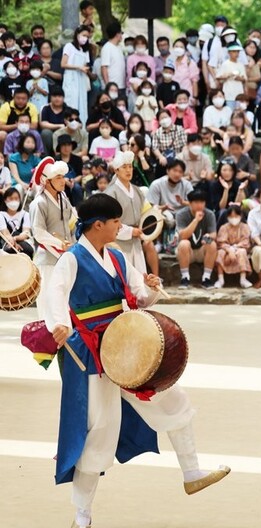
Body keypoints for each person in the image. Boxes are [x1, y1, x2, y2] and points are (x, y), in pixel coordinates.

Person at [40, 193, 229, 528]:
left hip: (125, 347)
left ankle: (191, 472)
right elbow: (56, 292)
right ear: (98, 224)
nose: (120, 227)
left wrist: (151, 288)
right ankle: (82, 514)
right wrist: (59, 324)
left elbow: (137, 296)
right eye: (115, 222)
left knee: (173, 400)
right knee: (99, 430)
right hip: (90, 353)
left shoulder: (115, 257)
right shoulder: (72, 259)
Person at [29, 158, 77, 318]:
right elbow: (38, 232)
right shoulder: (39, 203)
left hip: (65, 256)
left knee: (64, 301)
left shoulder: (64, 199)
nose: (63, 181)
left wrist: (74, 243)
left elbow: (72, 222)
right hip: (47, 259)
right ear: (47, 181)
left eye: (63, 177)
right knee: (47, 303)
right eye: (58, 177)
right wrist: (58, 243)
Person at [103, 151, 159, 277]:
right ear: (116, 170)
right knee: (122, 279)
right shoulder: (111, 193)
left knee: (139, 280)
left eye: (130, 167)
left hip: (136, 242)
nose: (128, 170)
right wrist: (129, 231)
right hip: (117, 243)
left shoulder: (138, 191)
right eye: (124, 167)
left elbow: (147, 214)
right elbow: (109, 221)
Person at [176, 189, 217, 289]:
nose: (199, 205)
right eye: (196, 202)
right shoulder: (181, 214)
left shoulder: (209, 214)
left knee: (212, 244)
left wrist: (208, 236)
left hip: (202, 250)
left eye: (202, 202)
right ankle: (185, 277)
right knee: (184, 243)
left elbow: (214, 234)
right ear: (190, 203)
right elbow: (183, 236)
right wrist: (196, 220)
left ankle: (206, 278)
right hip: (186, 251)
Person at [213, 204, 252, 289]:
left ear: (240, 216)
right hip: (226, 249)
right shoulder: (223, 227)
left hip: (240, 248)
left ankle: (243, 279)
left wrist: (235, 248)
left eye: (236, 216)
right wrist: (229, 250)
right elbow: (221, 242)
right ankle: (220, 279)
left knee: (242, 252)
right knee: (220, 253)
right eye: (231, 216)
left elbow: (245, 241)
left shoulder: (245, 227)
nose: (234, 218)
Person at [61, 25, 93, 123]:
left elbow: (86, 65)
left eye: (87, 36)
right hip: (71, 78)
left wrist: (86, 69)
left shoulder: (85, 50)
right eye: (83, 35)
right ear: (77, 34)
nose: (85, 38)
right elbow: (63, 64)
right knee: (71, 103)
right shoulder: (69, 46)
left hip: (81, 79)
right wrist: (78, 67)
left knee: (82, 105)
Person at [1, 186, 33, 257]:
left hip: (23, 242)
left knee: (27, 249)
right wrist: (12, 241)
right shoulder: (1, 215)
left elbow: (26, 233)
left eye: (16, 199)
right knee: (9, 250)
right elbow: (5, 233)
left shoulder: (25, 215)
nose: (14, 201)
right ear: (5, 200)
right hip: (7, 242)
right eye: (11, 199)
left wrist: (15, 238)